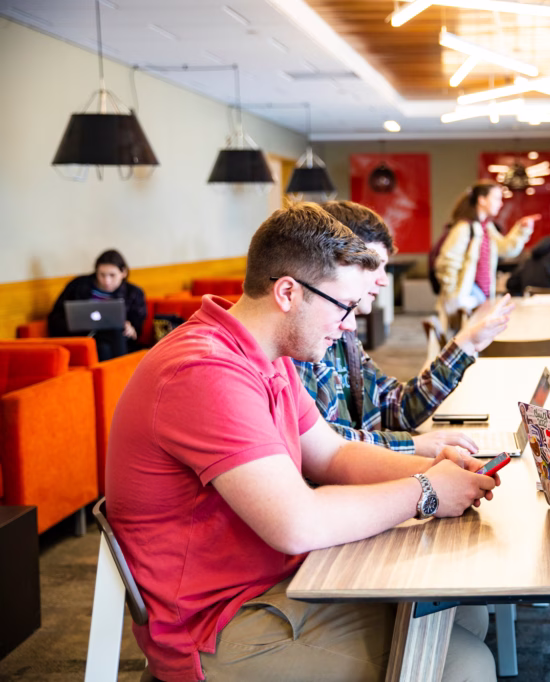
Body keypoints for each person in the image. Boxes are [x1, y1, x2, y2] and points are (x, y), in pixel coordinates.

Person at [106, 203, 498, 682]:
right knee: (465, 664)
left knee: (465, 613)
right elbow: (297, 523)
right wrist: (426, 492)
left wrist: (445, 473)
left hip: (279, 581)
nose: (351, 325)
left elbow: (332, 454)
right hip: (218, 624)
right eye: (344, 306)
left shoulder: (269, 355)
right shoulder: (205, 371)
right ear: (288, 292)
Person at [294, 200, 515, 456]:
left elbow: (396, 407)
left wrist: (466, 344)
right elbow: (322, 445)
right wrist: (414, 446)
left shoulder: (345, 335)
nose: (383, 280)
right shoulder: (301, 338)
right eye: (373, 265)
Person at [435, 180, 538, 314]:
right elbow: (447, 263)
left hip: (480, 297)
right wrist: (454, 296)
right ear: (482, 200)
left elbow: (505, 249)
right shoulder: (464, 228)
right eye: (496, 198)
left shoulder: (486, 228)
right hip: (465, 301)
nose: (500, 204)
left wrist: (522, 230)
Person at [47, 249, 147, 361]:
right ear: (96, 272)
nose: (106, 281)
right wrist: (79, 322)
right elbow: (55, 317)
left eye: (112, 275)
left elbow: (138, 327)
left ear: (123, 273)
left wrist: (131, 328)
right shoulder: (78, 286)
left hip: (118, 340)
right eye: (102, 275)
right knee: (104, 344)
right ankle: (117, 373)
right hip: (83, 336)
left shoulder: (133, 293)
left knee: (109, 340)